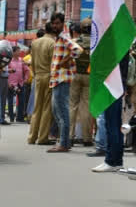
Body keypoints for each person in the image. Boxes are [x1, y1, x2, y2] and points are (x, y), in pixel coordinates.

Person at [90, 52, 130, 173]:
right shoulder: (121, 42)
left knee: (111, 124)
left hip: (112, 84)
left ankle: (111, 161)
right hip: (115, 84)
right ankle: (116, 160)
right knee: (114, 124)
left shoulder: (116, 44)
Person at [48, 13, 82, 153]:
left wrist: (66, 60)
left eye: (57, 23)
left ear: (63, 24)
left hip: (63, 78)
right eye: (53, 23)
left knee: (62, 112)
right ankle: (64, 142)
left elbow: (78, 50)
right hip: (57, 78)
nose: (55, 26)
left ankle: (63, 143)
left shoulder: (63, 36)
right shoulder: (58, 38)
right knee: (57, 111)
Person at [27, 22, 56, 145]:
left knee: (37, 107)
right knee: (46, 108)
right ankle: (43, 137)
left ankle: (32, 137)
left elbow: (32, 62)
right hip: (49, 75)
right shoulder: (53, 43)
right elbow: (53, 63)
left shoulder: (35, 42)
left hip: (37, 76)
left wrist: (35, 74)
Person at [70, 20, 94, 147]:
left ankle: (69, 136)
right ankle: (87, 138)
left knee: (72, 105)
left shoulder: (74, 42)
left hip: (74, 75)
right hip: (89, 76)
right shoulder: (96, 43)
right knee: (87, 106)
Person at [8, 46, 29, 122]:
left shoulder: (21, 60)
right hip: (11, 84)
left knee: (21, 101)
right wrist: (8, 83)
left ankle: (20, 118)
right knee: (10, 101)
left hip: (20, 83)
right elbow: (5, 71)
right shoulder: (9, 61)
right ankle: (11, 117)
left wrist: (26, 79)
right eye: (18, 51)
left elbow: (27, 70)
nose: (19, 52)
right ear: (13, 52)